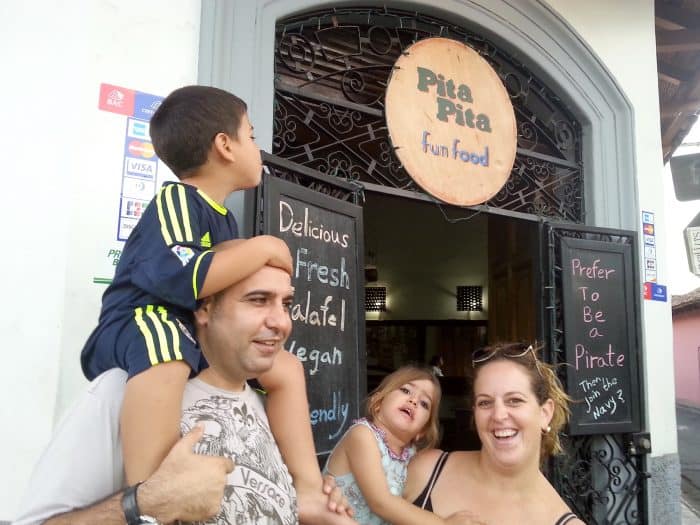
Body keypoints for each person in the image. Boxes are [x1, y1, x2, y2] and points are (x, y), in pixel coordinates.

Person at [80, 85, 302, 488]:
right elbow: (183, 274)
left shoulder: (224, 220)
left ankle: (306, 485)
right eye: (250, 136)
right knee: (164, 342)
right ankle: (154, 492)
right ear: (224, 145)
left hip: (193, 329)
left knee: (285, 365)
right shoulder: (178, 200)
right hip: (137, 322)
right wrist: (264, 247)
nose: (257, 147)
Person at [14, 264, 355, 525]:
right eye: (258, 300)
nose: (281, 322)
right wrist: (146, 502)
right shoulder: (123, 391)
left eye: (287, 303)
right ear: (204, 309)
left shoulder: (269, 406)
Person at [404, 342, 584, 525]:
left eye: (514, 400)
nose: (498, 415)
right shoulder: (426, 471)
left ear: (545, 414)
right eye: (485, 403)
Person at [323, 366, 476, 525]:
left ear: (422, 430)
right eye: (405, 390)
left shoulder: (411, 456)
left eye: (424, 403)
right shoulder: (362, 435)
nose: (414, 400)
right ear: (378, 402)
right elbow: (381, 502)